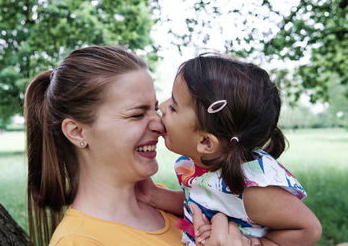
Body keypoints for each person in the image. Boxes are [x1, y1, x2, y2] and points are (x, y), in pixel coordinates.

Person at [24, 46, 254, 246]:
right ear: (77, 132)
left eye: (155, 108)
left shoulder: (173, 201)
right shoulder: (80, 241)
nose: (160, 124)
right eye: (136, 114)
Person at [137, 53, 322, 246]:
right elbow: (204, 201)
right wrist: (156, 196)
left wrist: (259, 243)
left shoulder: (254, 192)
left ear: (206, 143)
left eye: (174, 107)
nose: (163, 105)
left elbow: (309, 229)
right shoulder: (203, 164)